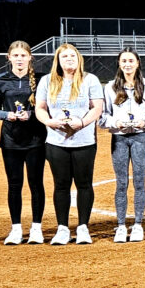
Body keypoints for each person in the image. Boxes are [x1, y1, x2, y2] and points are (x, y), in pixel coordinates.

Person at [34, 43, 104, 245]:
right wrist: (49, 121)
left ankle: (83, 227)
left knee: (84, 184)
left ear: (79, 58)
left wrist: (81, 122)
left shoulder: (90, 79)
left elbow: (97, 107)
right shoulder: (48, 81)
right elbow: (40, 107)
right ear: (58, 60)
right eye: (64, 56)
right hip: (56, 141)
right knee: (61, 185)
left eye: (72, 56)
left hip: (84, 141)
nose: (69, 59)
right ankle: (63, 228)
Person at [0, 41, 47, 245]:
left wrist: (32, 114)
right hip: (10, 140)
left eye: (23, 55)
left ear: (30, 57)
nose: (19, 59)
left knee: (35, 184)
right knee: (14, 184)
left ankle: (36, 228)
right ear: (9, 58)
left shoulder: (42, 80)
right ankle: (16, 229)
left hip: (36, 139)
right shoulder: (0, 80)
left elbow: (47, 107)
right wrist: (8, 115)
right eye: (15, 56)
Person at [100, 48, 145, 243]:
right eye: (124, 61)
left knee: (139, 182)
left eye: (131, 60)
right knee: (121, 183)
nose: (127, 64)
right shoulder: (110, 87)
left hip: (140, 138)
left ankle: (138, 224)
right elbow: (103, 116)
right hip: (119, 139)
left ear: (137, 63)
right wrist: (114, 123)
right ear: (119, 63)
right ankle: (121, 226)